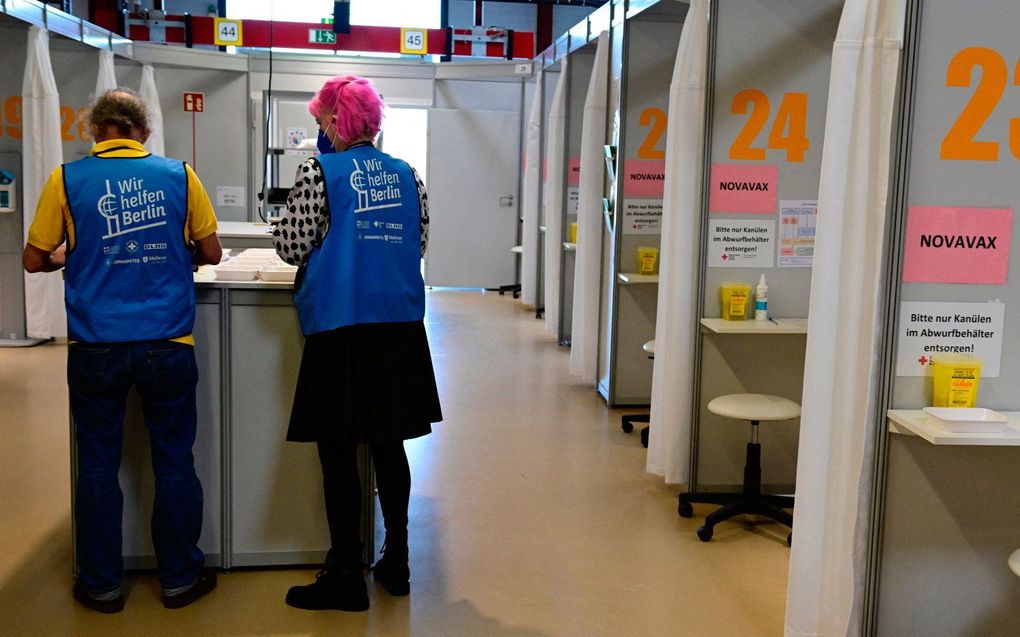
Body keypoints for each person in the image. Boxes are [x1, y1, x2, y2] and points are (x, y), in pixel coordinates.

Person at [22, 89, 222, 613]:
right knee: (175, 463)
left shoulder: (66, 179)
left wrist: (70, 255)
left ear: (93, 131)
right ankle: (179, 578)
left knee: (97, 467)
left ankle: (102, 585)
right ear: (144, 132)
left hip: (96, 348)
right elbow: (211, 250)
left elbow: (31, 257)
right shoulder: (179, 174)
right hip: (167, 342)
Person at [273, 75, 442, 612]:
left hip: (341, 327)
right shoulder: (407, 174)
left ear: (334, 122)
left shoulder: (319, 170)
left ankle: (347, 573)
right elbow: (418, 242)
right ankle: (397, 560)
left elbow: (293, 246)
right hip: (397, 325)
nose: (318, 129)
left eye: (321, 119)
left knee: (339, 450)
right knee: (389, 445)